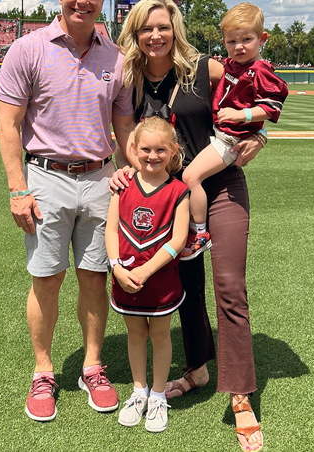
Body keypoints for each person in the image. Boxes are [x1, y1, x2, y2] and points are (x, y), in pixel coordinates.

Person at [113, 0, 268, 452]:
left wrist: (260, 132)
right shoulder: (133, 80)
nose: (155, 35)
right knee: (185, 285)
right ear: (136, 34)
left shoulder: (206, 68)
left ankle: (240, 395)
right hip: (169, 196)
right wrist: (128, 168)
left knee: (229, 286)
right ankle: (197, 368)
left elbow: (256, 88)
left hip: (220, 187)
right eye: (146, 28)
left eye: (162, 26)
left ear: (174, 28)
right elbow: (125, 135)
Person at [0, 0, 135, 422]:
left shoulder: (115, 57)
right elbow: (8, 125)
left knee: (95, 277)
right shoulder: (28, 49)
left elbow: (125, 127)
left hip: (100, 179)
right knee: (47, 278)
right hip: (46, 178)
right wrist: (18, 188)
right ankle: (43, 370)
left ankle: (93, 366)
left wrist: (135, 181)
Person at [180, 3, 288, 259]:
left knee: (190, 177)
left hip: (229, 140)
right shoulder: (232, 64)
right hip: (218, 135)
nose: (239, 46)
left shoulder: (260, 70)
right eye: (231, 41)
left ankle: (200, 233)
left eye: (246, 39)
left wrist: (245, 116)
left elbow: (273, 106)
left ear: (262, 39)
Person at [105, 116, 189, 432]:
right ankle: (138, 392)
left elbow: (178, 240)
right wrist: (116, 266)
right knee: (136, 334)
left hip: (160, 280)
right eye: (145, 149)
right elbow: (111, 229)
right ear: (133, 149)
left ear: (173, 151)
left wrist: (145, 269)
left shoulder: (179, 190)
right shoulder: (122, 184)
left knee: (160, 335)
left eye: (160, 150)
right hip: (125, 277)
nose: (152, 156)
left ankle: (157, 395)